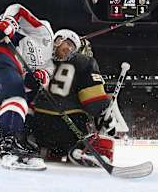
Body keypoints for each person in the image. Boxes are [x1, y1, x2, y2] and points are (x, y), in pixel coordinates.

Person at [0, 3, 54, 170]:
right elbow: (17, 9)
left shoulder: (49, 63)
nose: (64, 47)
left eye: (71, 47)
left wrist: (36, 78)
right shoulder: (44, 32)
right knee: (16, 97)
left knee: (19, 98)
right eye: (62, 41)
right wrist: (9, 23)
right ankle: (11, 144)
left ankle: (7, 138)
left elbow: (40, 78)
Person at [27, 29, 121, 167]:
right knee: (100, 114)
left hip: (37, 127)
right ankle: (79, 149)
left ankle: (31, 144)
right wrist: (106, 108)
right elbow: (94, 104)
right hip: (69, 127)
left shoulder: (39, 58)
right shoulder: (85, 62)